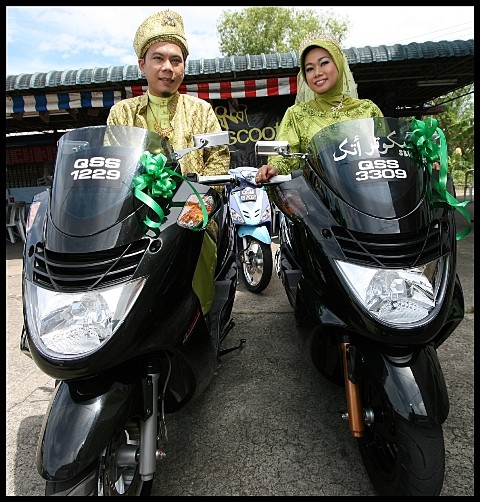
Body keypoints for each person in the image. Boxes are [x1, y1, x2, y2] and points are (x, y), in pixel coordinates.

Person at [107, 9, 230, 317]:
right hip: (135, 219)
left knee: (193, 249)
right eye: (158, 59)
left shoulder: (201, 110)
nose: (168, 68)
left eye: (176, 60)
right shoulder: (122, 114)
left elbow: (218, 162)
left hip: (193, 216)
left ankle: (196, 320)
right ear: (142, 65)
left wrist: (196, 205)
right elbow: (112, 169)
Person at [255, 36, 384, 183]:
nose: (317, 73)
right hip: (318, 200)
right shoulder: (297, 114)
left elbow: (387, 152)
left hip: (369, 196)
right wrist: (273, 168)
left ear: (339, 64)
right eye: (309, 69)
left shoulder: (367, 110)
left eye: (324, 63)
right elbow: (284, 156)